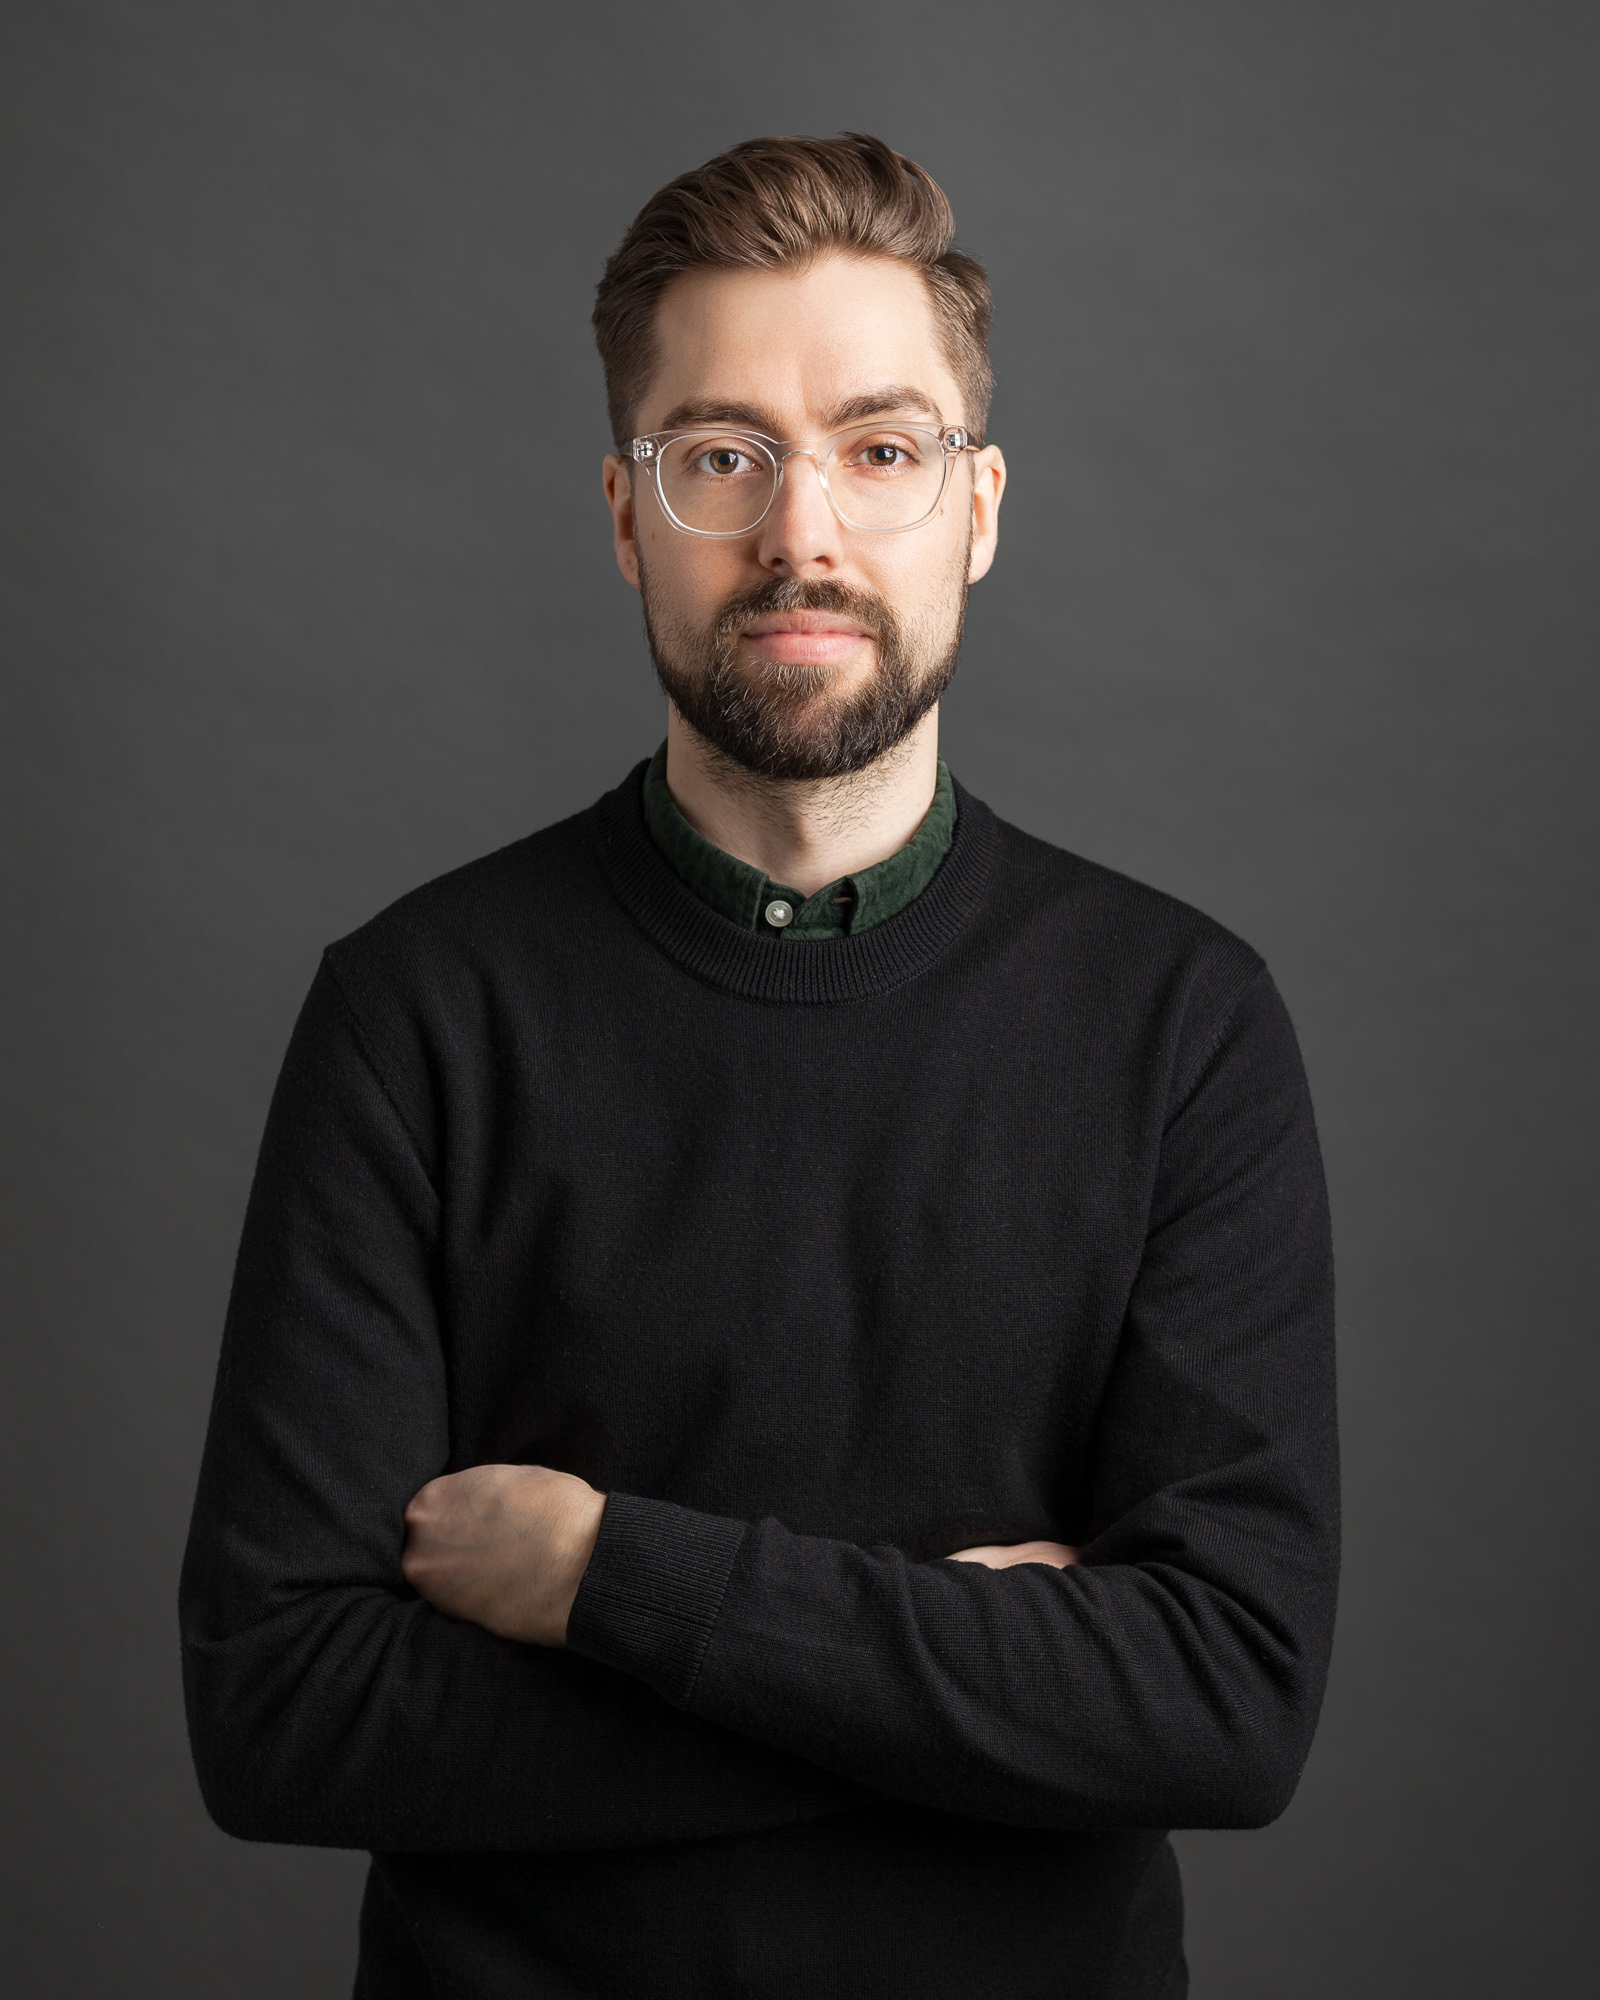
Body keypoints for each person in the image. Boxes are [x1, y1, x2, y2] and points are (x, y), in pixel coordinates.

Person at [181, 134, 1338, 2000]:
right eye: (724, 455)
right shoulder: (415, 1012)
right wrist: (965, 1679)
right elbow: (283, 1709)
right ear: (630, 514)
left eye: (880, 451)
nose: (803, 529)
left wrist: (607, 1582)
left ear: (974, 509)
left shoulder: (1182, 1024)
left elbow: (1224, 1705)